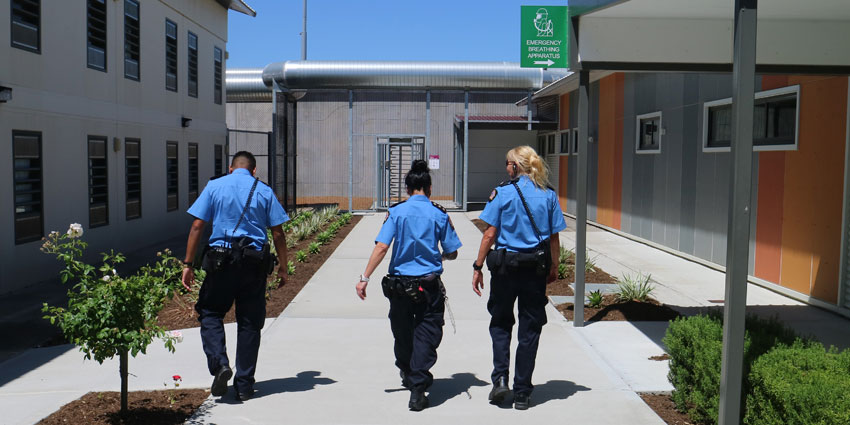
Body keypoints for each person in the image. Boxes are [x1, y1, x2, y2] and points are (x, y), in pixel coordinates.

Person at [181, 151, 289, 401]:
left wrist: (188, 264)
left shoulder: (215, 186)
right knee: (250, 321)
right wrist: (284, 267)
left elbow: (197, 226)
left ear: (230, 169)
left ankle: (220, 365)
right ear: (254, 171)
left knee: (210, 312)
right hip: (254, 264)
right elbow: (278, 233)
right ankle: (244, 384)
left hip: (221, 262)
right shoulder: (263, 190)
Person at [355, 159, 462, 411]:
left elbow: (382, 247)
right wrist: (440, 256)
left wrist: (365, 278)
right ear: (429, 187)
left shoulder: (396, 212)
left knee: (402, 331)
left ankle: (407, 370)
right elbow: (452, 250)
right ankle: (418, 388)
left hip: (400, 286)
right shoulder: (439, 213)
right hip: (428, 286)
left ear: (407, 188)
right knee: (426, 333)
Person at [471, 145, 566, 410]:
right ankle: (523, 392)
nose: (506, 168)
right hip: (534, 270)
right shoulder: (548, 196)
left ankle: (501, 380)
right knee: (530, 329)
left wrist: (478, 266)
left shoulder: (502, 193)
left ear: (515, 166)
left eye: (507, 163)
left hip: (504, 269)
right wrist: (554, 266)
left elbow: (490, 234)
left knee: (501, 323)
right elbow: (554, 237)